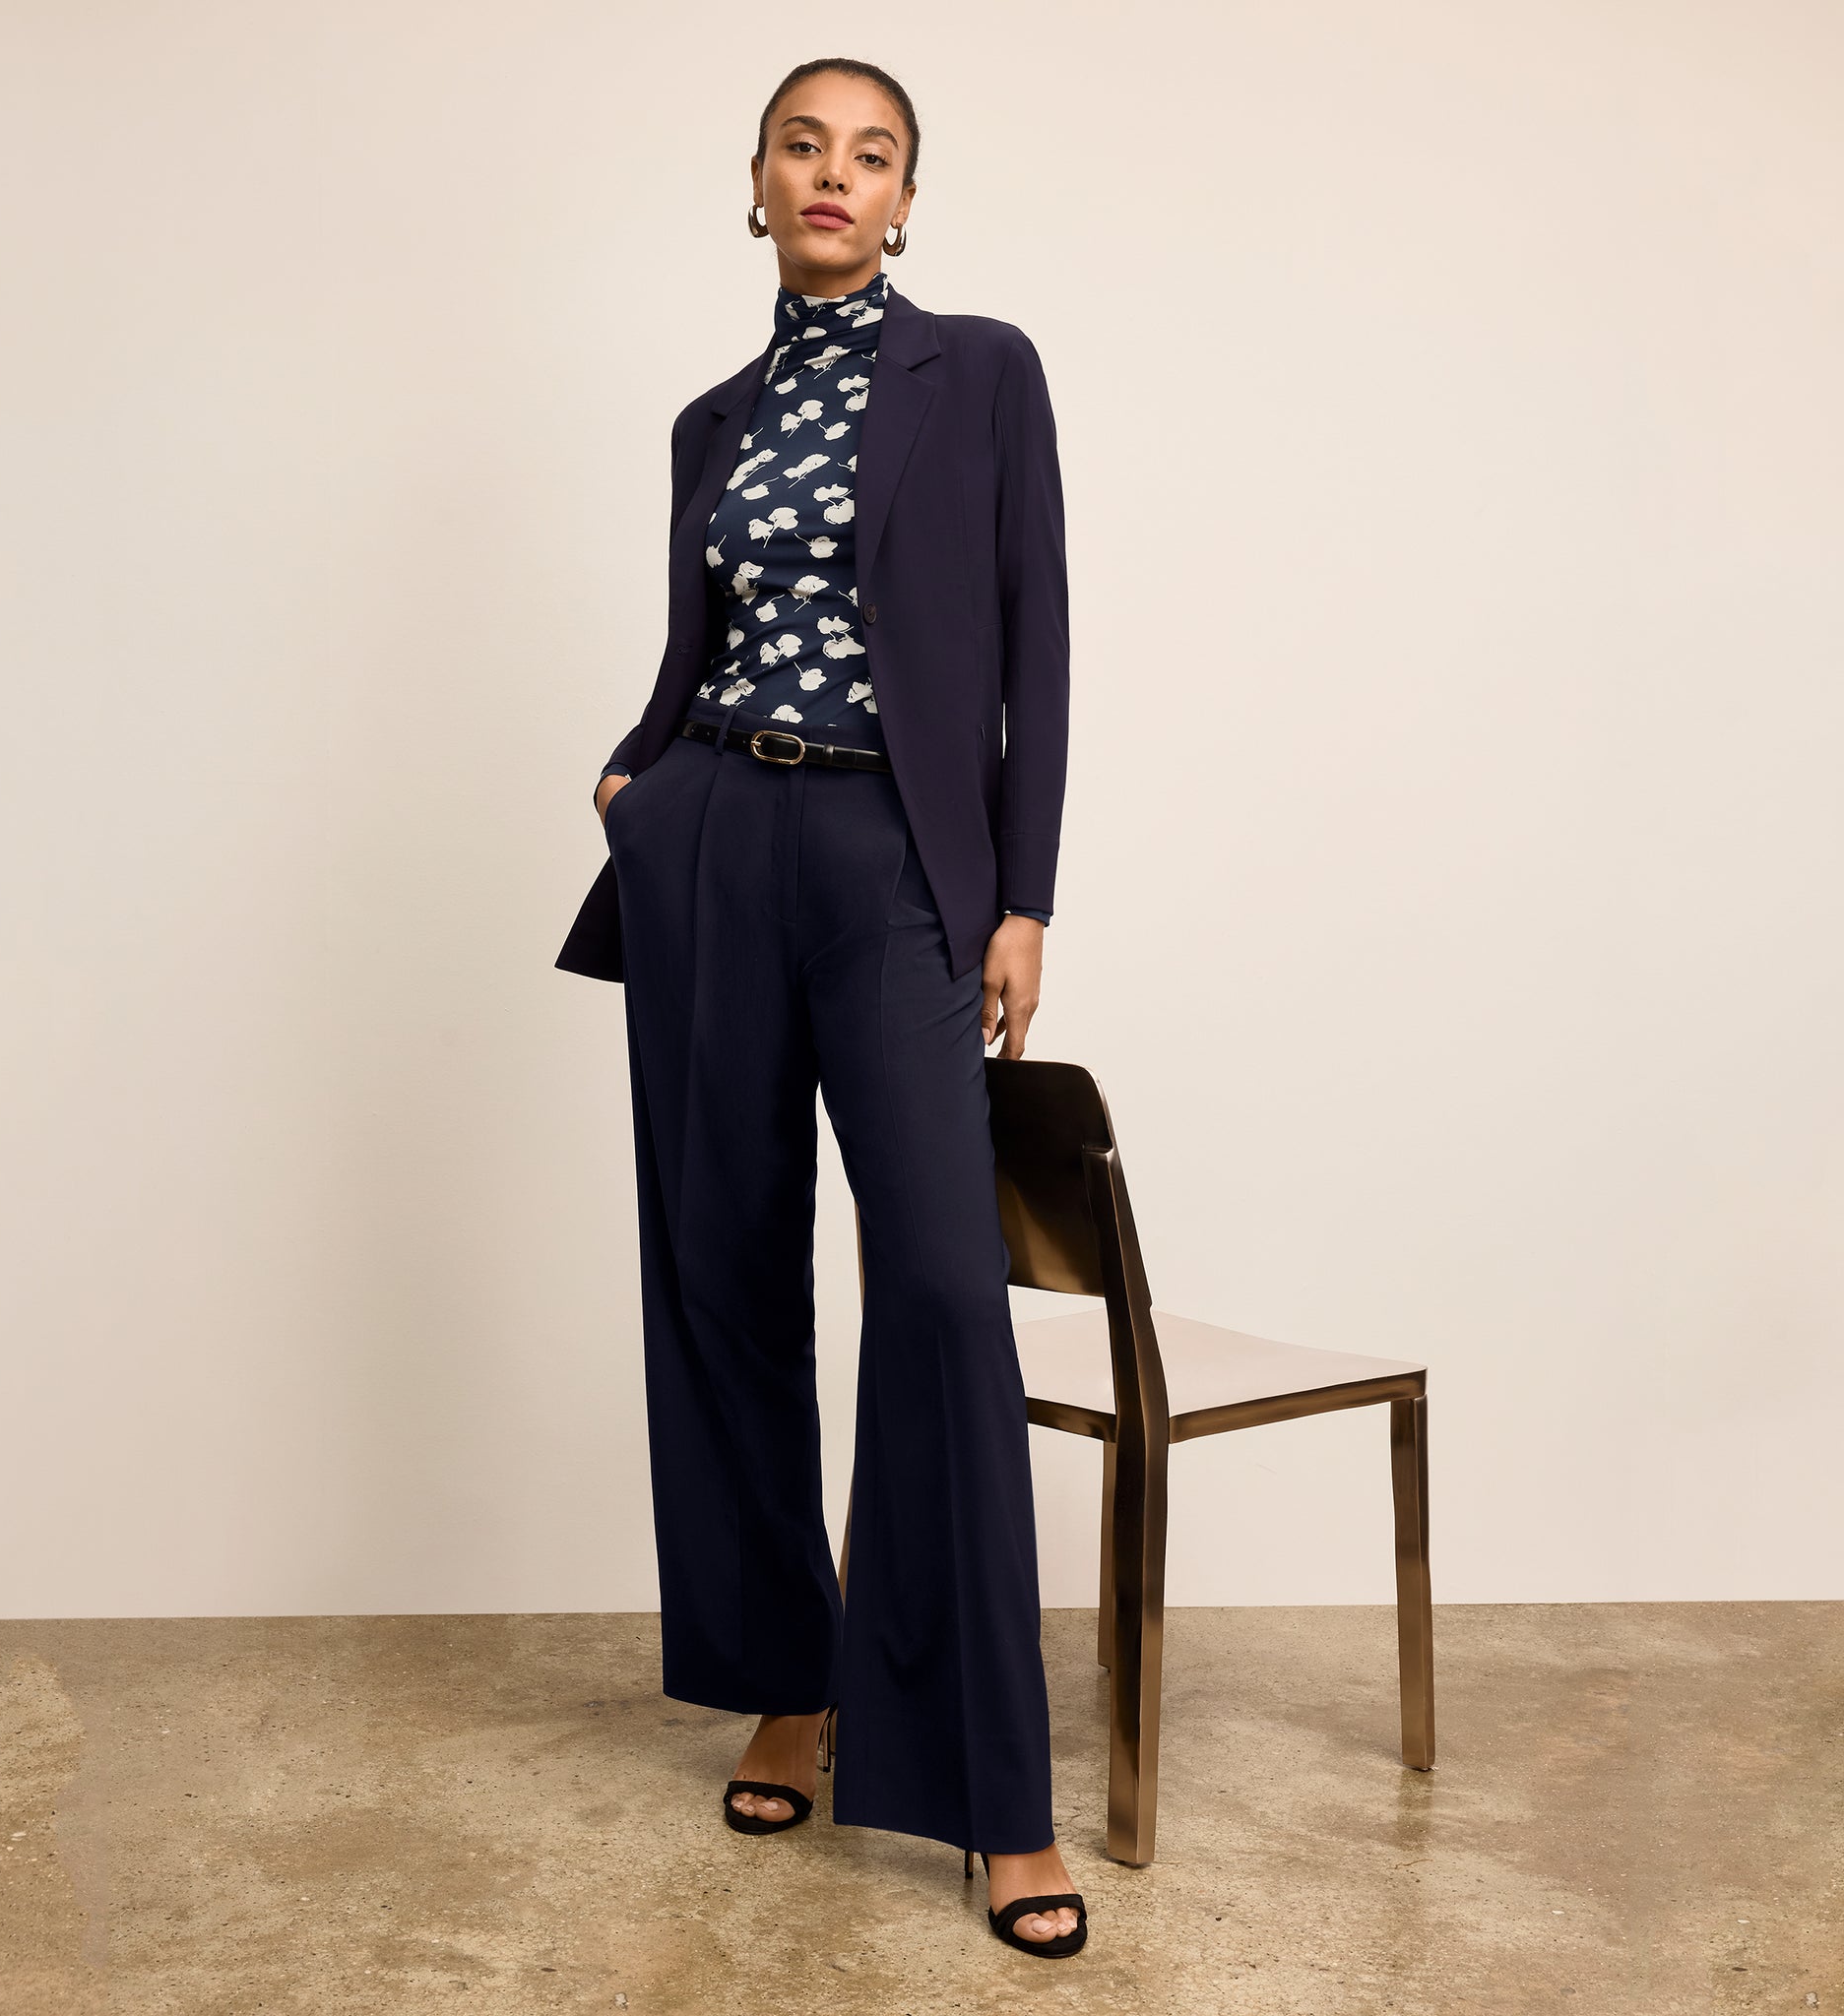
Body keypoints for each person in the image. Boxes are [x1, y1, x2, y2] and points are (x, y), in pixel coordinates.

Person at [553, 55, 1082, 1959]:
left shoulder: (983, 373)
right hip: (710, 844)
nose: (835, 176)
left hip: (891, 858)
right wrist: (636, 776)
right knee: (720, 1270)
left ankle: (994, 1796)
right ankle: (798, 1674)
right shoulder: (710, 419)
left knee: (939, 1291)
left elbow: (1036, 634)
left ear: (908, 199)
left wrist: (1019, 893)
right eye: (806, 146)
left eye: (874, 155)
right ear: (757, 182)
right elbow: (693, 647)